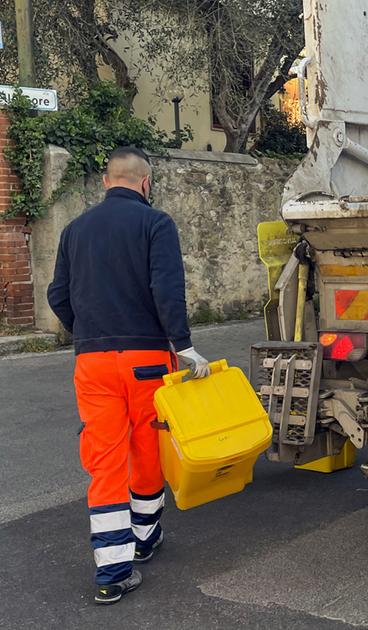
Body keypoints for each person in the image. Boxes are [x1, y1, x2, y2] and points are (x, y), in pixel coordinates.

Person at [47, 146, 211, 605]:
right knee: (147, 449)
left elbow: (58, 294)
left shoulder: (75, 230)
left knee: (105, 459)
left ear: (106, 181)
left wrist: (88, 333)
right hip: (147, 360)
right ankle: (144, 536)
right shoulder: (156, 224)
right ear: (145, 182)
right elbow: (167, 288)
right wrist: (184, 346)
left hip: (93, 362)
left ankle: (112, 571)